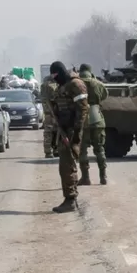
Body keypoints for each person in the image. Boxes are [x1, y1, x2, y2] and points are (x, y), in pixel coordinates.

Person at [48, 61, 88, 213]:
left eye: (56, 75)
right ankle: (69, 198)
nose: (54, 78)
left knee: (68, 165)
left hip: (72, 130)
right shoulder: (62, 85)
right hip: (64, 129)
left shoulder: (75, 84)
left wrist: (77, 132)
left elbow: (82, 108)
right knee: (65, 166)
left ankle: (70, 199)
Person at [77, 63, 109, 185]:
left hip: (82, 118)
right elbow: (105, 95)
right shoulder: (98, 83)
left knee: (82, 150)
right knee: (100, 149)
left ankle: (85, 177)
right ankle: (103, 176)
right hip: (97, 118)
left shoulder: (76, 83)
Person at [40, 75, 60, 158]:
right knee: (56, 132)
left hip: (48, 114)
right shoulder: (54, 87)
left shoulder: (43, 87)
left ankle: (48, 151)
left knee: (48, 133)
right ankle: (55, 150)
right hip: (55, 113)